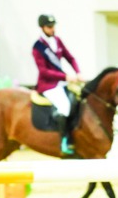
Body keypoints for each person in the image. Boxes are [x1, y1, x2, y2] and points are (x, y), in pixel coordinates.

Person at [33, 14, 82, 155]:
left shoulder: (58, 41)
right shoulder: (37, 47)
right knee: (64, 106)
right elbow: (44, 71)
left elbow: (70, 57)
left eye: (53, 26)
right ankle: (64, 140)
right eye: (49, 26)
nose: (52, 29)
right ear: (42, 28)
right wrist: (65, 76)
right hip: (48, 85)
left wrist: (77, 72)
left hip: (61, 82)